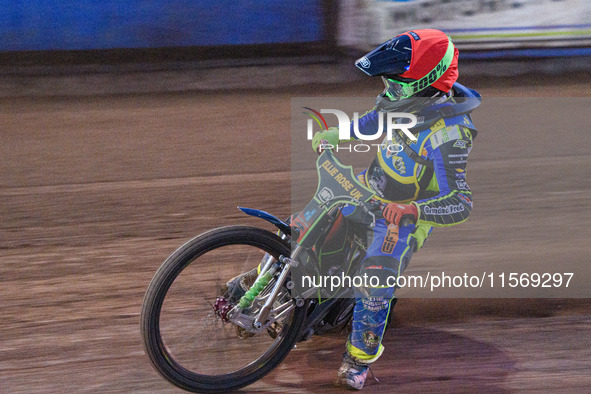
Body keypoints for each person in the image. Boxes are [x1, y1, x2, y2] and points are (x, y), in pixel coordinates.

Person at [310, 28, 481, 390]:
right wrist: (337, 135)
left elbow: (461, 203)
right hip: (367, 184)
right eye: (388, 82)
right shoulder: (405, 101)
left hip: (404, 215)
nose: (390, 90)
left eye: (398, 85)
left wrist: (411, 213)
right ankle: (263, 280)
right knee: (304, 221)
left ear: (428, 82)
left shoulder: (449, 134)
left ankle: (357, 362)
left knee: (376, 276)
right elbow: (375, 121)